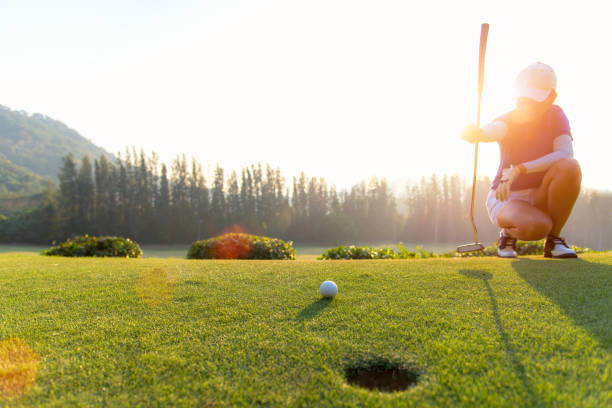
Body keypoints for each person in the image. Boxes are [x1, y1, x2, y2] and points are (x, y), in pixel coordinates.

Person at [461, 62, 581, 258]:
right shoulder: (510, 118)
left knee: (570, 167)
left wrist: (521, 168)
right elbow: (494, 130)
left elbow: (564, 154)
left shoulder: (556, 115)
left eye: (536, 99)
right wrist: (478, 133)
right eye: (525, 97)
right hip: (506, 196)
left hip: (541, 193)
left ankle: (554, 240)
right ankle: (507, 234)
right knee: (538, 227)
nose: (529, 103)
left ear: (552, 97)